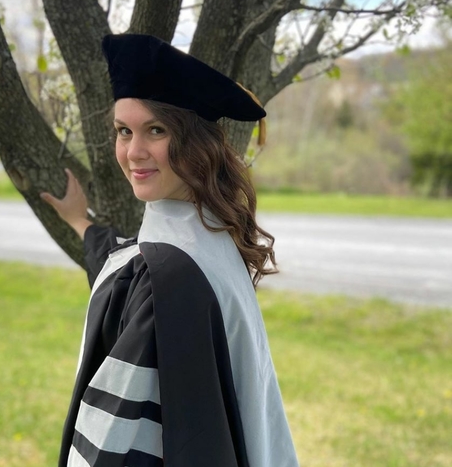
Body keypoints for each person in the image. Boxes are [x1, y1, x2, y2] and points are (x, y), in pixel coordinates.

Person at [41, 34, 299, 467]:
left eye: (155, 130)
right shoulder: (212, 230)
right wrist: (78, 220)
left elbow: (119, 443)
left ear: (195, 142)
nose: (133, 152)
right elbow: (123, 260)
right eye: (124, 131)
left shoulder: (167, 277)